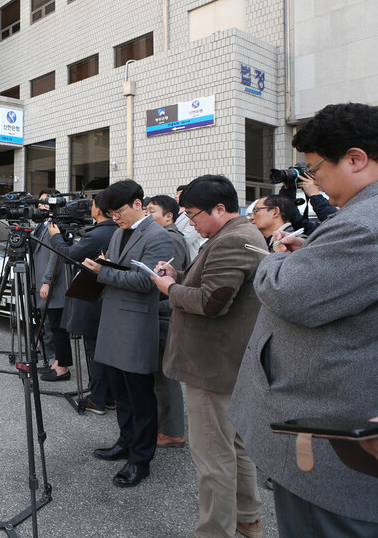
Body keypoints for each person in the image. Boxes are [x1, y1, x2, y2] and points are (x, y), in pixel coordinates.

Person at [230, 102, 378, 537]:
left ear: (356, 158)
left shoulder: (364, 225)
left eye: (316, 169)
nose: (315, 183)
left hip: (331, 438)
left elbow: (289, 294)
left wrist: (273, 262)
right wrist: (310, 259)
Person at [150, 175, 267, 538]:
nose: (191, 222)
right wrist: (180, 274)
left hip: (213, 364)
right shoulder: (238, 234)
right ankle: (247, 518)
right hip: (228, 362)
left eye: (193, 214)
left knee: (213, 457)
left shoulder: (232, 240)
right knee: (234, 446)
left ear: (220, 208)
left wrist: (170, 288)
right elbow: (215, 283)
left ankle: (215, 532)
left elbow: (211, 302)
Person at [82, 180, 173, 488]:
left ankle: (140, 458)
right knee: (120, 392)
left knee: (140, 394)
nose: (115, 218)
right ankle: (125, 441)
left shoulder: (158, 236)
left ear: (138, 204)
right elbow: (119, 269)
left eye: (118, 211)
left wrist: (102, 272)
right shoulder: (120, 232)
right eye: (110, 213)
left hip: (136, 325)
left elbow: (148, 282)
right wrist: (101, 267)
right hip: (112, 319)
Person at [47, 194, 118, 413]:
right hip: (107, 297)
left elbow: (69, 254)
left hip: (92, 296)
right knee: (104, 350)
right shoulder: (117, 230)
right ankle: (108, 395)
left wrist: (56, 237)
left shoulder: (98, 234)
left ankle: (97, 398)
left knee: (95, 350)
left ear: (98, 210)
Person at [144, 195, 189, 448]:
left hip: (166, 309)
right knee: (160, 375)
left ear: (169, 216)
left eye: (152, 211)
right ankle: (166, 422)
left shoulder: (170, 237)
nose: (147, 216)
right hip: (164, 308)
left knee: (165, 375)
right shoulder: (164, 234)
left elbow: (173, 277)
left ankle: (173, 431)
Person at [31, 189, 70, 381]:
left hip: (55, 285)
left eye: (46, 202)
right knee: (53, 326)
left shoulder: (57, 225)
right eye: (40, 202)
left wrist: (46, 281)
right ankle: (57, 363)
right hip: (42, 283)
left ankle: (62, 366)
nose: (42, 206)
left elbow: (56, 256)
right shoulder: (41, 224)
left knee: (58, 327)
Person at [174, 184, 206, 260]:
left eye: (180, 194)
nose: (176, 196)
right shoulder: (173, 213)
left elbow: (186, 240)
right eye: (176, 193)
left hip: (187, 259)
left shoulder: (194, 216)